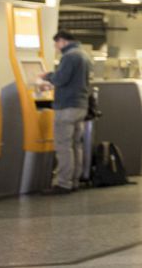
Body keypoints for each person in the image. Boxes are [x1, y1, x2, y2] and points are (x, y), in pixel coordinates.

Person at [41, 30, 93, 194]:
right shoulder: (84, 55)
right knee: (75, 145)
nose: (56, 48)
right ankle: (74, 180)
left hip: (66, 107)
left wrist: (47, 76)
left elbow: (60, 79)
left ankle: (63, 183)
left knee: (63, 146)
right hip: (80, 106)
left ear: (62, 41)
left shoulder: (70, 56)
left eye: (56, 44)